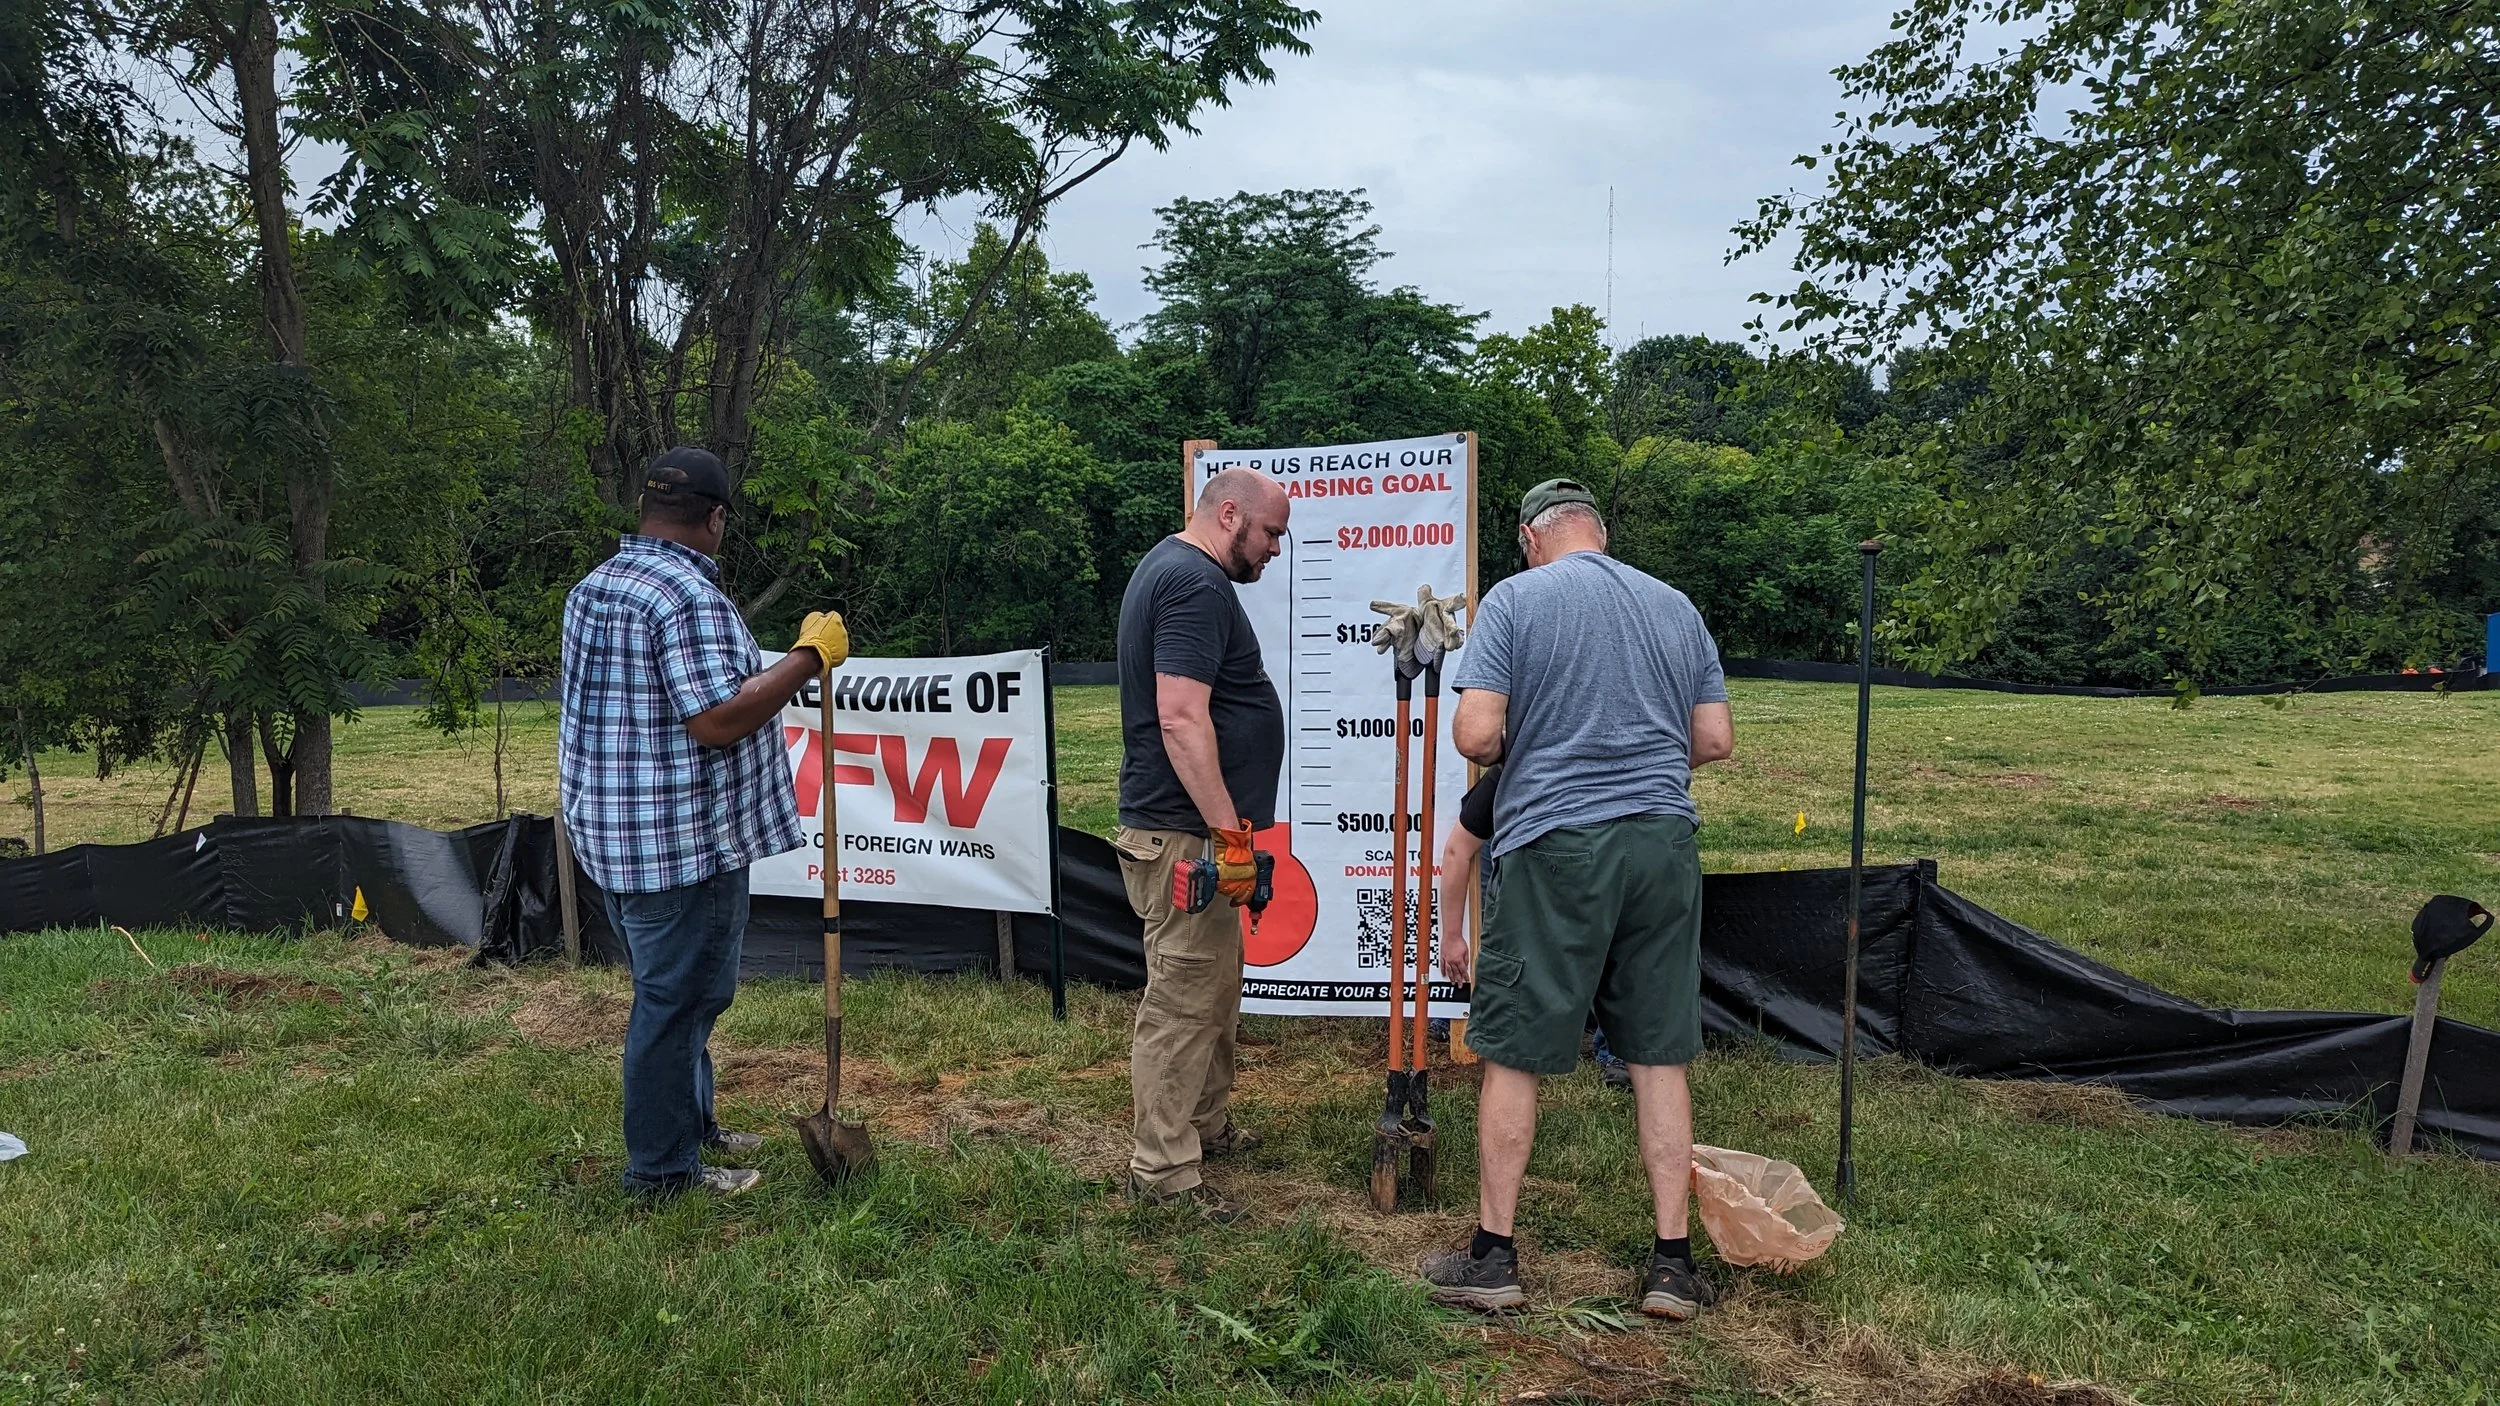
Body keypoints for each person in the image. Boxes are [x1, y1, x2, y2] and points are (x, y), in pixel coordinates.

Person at [1421, 478, 1735, 1318]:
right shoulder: (1676, 606)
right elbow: (1713, 739)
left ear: (1531, 537)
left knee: (1514, 1052)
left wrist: (1554, 745)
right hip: (1665, 844)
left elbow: (1477, 735)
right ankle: (1673, 1266)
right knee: (1658, 1054)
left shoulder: (1517, 602)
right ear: (1599, 531)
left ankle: (1494, 1260)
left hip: (1557, 844)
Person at [559, 446, 851, 1200]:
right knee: (675, 1004)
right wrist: (807, 659)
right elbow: (717, 720)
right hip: (683, 845)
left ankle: (692, 1124)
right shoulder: (685, 597)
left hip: (615, 836)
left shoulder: (596, 587)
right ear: (716, 517)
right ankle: (661, 1172)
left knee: (676, 995)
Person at [1111, 466, 1292, 1222]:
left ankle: (1205, 1127)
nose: (1277, 550)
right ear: (1229, 516)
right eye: (1272, 533)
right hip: (1186, 837)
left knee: (1211, 986)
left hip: (1193, 834)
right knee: (1184, 1002)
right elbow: (1182, 718)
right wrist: (1228, 838)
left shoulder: (1175, 570)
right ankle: (1162, 1171)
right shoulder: (1194, 584)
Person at [1435, 766, 1630, 1091]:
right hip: (1524, 865)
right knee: (1502, 936)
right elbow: (1457, 850)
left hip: (1597, 856)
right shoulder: (1506, 776)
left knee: (1615, 941)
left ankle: (1618, 1050)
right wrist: (1452, 936)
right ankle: (1464, 1012)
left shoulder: (1603, 778)